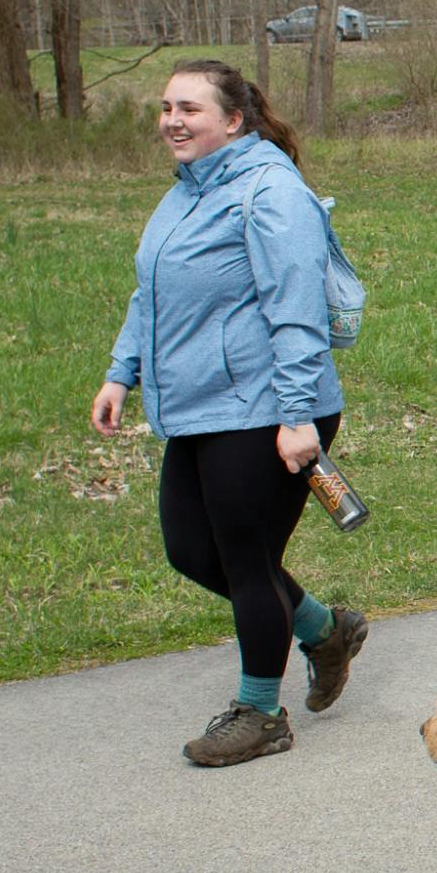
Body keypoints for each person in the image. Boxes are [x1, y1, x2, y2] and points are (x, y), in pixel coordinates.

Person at [91, 60, 368, 768]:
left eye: (189, 108)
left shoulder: (270, 191)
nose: (172, 121)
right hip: (200, 407)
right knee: (191, 549)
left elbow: (297, 311)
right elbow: (148, 293)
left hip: (268, 406)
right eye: (165, 108)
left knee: (247, 560)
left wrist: (299, 414)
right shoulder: (186, 192)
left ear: (234, 120)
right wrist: (123, 372)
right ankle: (322, 628)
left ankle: (261, 711)